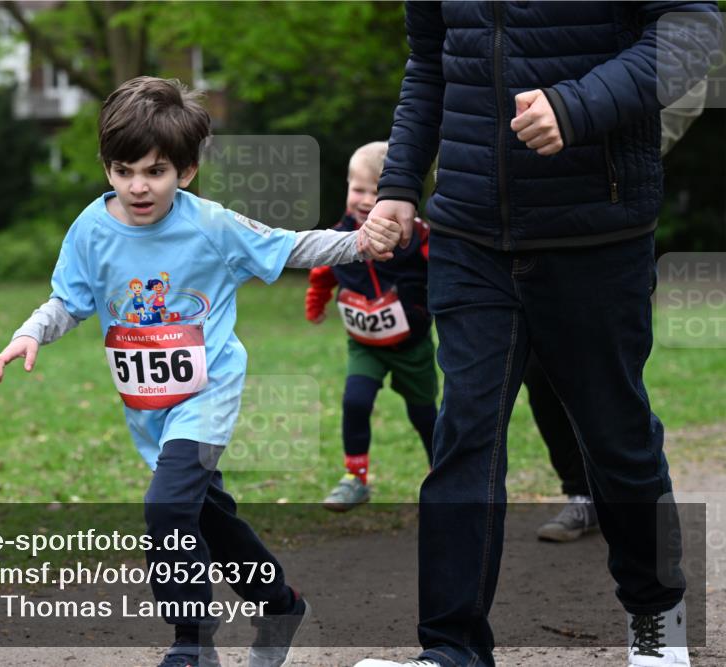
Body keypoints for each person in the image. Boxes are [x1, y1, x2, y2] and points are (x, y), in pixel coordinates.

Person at [351, 3, 721, 667]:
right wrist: (400, 181)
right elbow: (431, 62)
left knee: (616, 437)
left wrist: (579, 105)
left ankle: (656, 612)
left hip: (595, 230)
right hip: (469, 232)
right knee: (464, 435)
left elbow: (695, 32)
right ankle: (451, 647)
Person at [0, 76, 403, 667]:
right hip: (148, 405)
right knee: (208, 514)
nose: (138, 185)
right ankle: (280, 604)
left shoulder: (210, 225)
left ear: (184, 172)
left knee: (165, 509)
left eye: (155, 171)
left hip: (207, 395)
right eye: (124, 170)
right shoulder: (90, 229)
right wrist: (28, 334)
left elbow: (289, 247)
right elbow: (68, 300)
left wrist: (360, 243)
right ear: (107, 167)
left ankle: (192, 643)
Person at [532, 78, 710, 543]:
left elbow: (688, 76)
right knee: (538, 369)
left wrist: (622, 153)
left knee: (607, 380)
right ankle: (581, 496)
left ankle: (642, 523)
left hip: (605, 221)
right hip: (520, 219)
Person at [305, 141, 437, 511]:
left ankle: (440, 469)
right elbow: (322, 274)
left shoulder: (419, 236)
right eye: (358, 189)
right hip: (364, 344)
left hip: (412, 345)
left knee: (424, 412)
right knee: (355, 401)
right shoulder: (339, 237)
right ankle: (355, 478)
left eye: (376, 191)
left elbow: (444, 273)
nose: (365, 200)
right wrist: (316, 305)